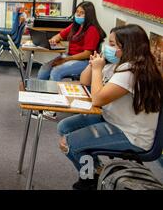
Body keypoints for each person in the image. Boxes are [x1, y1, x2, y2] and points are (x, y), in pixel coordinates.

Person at [57, 24, 163, 190]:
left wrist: (98, 70)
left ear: (126, 47)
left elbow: (97, 99)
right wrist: (92, 65)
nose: (107, 47)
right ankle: (96, 170)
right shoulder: (119, 65)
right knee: (65, 126)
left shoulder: (131, 72)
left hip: (132, 134)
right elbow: (85, 81)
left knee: (69, 143)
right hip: (113, 119)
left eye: (112, 45)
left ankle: (90, 180)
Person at [37, 1, 106, 81]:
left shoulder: (92, 30)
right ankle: (41, 90)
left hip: (85, 61)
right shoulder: (75, 26)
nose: (78, 14)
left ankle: (55, 92)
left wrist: (66, 59)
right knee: (45, 68)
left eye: (82, 12)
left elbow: (87, 54)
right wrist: (54, 39)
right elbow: (59, 35)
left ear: (89, 15)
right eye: (77, 12)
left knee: (56, 71)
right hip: (69, 57)